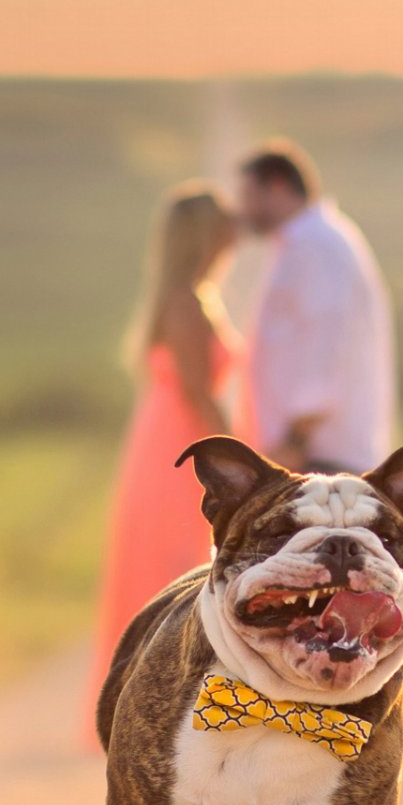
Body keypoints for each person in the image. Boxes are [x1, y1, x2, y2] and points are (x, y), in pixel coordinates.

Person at [90, 183, 246, 695]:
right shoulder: (186, 302)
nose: (235, 233)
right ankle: (161, 695)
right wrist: (244, 463)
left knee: (176, 560)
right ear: (207, 236)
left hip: (169, 437)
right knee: (177, 560)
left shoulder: (189, 298)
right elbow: (200, 393)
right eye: (224, 225)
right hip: (180, 444)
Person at [236, 141, 395, 473]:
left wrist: (295, 440)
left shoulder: (317, 245)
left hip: (319, 453)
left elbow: (327, 339)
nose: (243, 208)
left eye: (248, 195)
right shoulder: (308, 241)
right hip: (312, 449)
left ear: (277, 186)